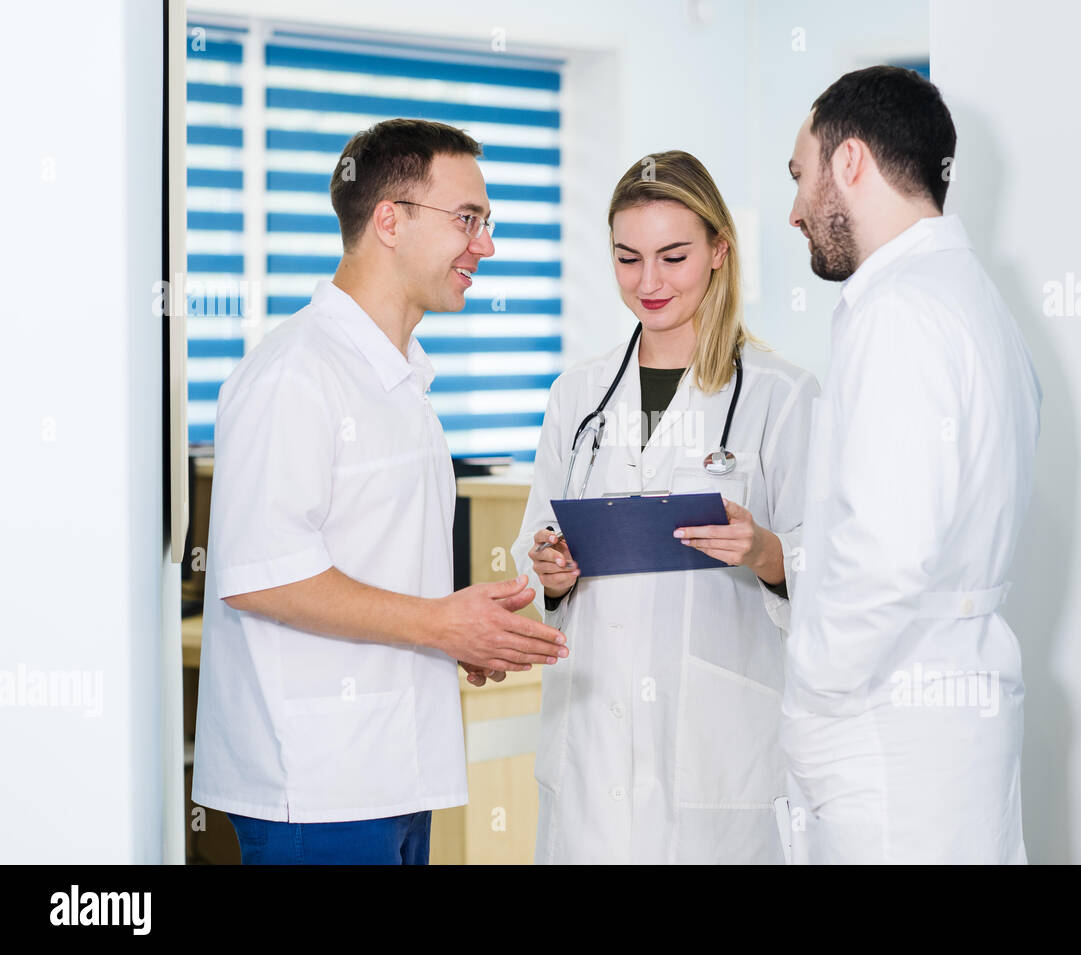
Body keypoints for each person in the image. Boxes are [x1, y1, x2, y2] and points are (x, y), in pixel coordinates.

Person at [191, 118, 568, 865]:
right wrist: (441, 624)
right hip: (317, 788)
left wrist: (467, 626)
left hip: (393, 777)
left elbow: (378, 573)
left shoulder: (401, 382)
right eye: (469, 218)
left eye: (486, 221)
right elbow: (263, 576)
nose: (484, 245)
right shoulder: (295, 373)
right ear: (389, 220)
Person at [510, 150, 819, 864]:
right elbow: (537, 555)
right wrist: (552, 574)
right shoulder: (577, 396)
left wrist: (766, 551)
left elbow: (833, 570)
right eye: (627, 258)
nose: (648, 282)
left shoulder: (783, 396)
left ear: (719, 250)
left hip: (718, 753)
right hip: (590, 743)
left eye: (673, 256)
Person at [781, 67, 1043, 864]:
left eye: (801, 176)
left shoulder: (897, 311)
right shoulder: (975, 301)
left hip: (888, 725)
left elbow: (885, 552)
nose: (795, 211)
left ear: (850, 163)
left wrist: (815, 689)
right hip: (952, 716)